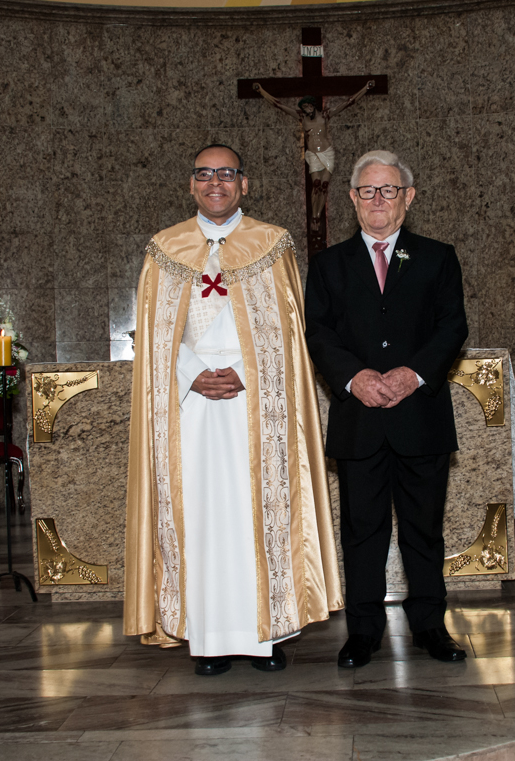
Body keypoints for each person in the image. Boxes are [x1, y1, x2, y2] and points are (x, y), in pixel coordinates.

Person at [123, 144, 342, 676]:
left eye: (226, 174)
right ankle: (208, 638)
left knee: (256, 514)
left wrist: (248, 370)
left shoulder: (272, 244)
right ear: (191, 184)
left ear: (244, 183)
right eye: (204, 174)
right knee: (200, 516)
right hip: (189, 408)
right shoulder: (164, 248)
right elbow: (153, 338)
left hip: (255, 400)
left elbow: (290, 333)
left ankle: (264, 636)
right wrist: (191, 374)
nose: (214, 182)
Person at [304, 149, 469, 669]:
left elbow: (452, 327)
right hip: (360, 420)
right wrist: (354, 378)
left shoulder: (438, 257)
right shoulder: (328, 264)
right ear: (352, 198)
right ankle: (363, 631)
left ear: (408, 197)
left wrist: (411, 374)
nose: (379, 200)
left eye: (389, 190)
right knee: (363, 532)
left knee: (424, 530)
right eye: (368, 191)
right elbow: (319, 332)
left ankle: (429, 626)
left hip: (420, 415)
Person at [254, 81, 374, 227]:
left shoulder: (325, 115)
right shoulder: (301, 117)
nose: (307, 109)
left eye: (308, 106)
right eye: (304, 108)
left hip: (327, 153)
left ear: (313, 105)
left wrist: (366, 88)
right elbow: (278, 105)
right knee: (315, 184)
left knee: (324, 185)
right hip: (313, 154)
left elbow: (348, 102)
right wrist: (261, 91)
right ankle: (314, 215)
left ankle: (317, 215)